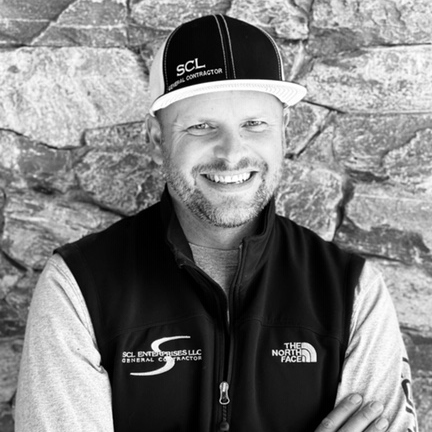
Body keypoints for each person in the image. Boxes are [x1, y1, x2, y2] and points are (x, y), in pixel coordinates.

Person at [15, 14, 417, 432]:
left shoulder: (352, 291)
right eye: (202, 126)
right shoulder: (78, 287)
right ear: (156, 138)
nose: (230, 154)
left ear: (285, 131)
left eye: (254, 124)